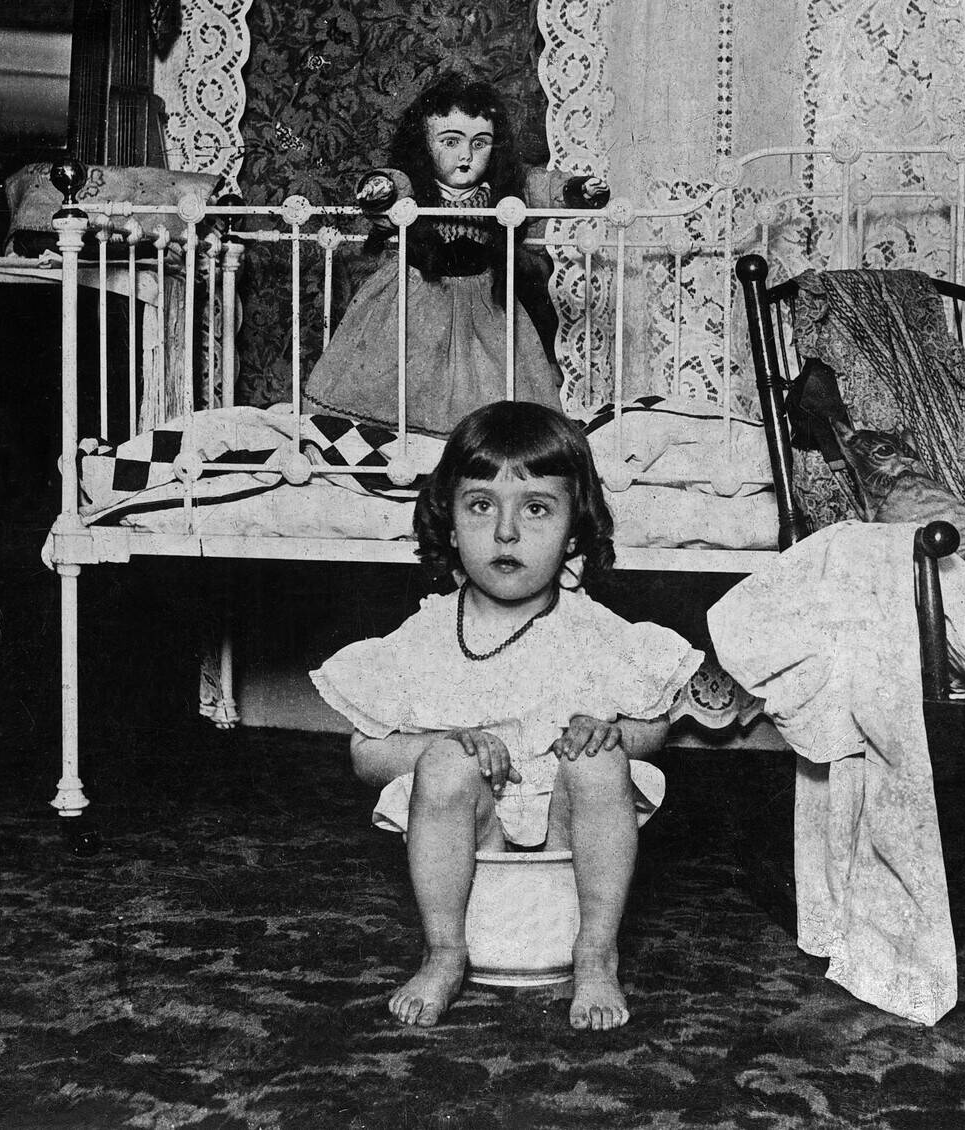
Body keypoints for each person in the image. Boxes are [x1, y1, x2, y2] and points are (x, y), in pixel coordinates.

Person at [310, 402, 702, 1029]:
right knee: (443, 765)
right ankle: (444, 952)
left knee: (601, 760)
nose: (506, 533)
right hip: (474, 831)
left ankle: (597, 954)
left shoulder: (593, 632)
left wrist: (614, 733)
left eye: (537, 508)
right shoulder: (426, 634)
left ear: (574, 531)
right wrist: (445, 744)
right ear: (450, 522)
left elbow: (655, 728)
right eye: (481, 506)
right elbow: (365, 752)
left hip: (567, 829)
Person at [301, 73, 609, 437]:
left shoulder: (503, 188)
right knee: (400, 371)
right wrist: (379, 189)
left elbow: (543, 185)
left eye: (481, 143)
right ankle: (394, 435)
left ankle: (472, 441)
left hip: (484, 301)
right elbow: (391, 184)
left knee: (495, 382)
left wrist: (577, 189)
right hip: (415, 296)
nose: (466, 155)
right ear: (424, 145)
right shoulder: (416, 185)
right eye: (451, 141)